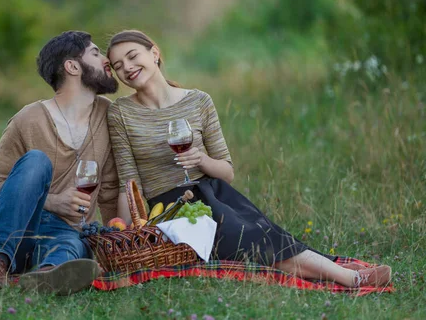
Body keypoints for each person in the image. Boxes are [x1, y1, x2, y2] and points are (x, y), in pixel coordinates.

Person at [105, 29, 391, 288]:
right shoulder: (121, 113)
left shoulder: (199, 101)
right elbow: (128, 182)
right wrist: (127, 235)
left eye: (132, 56)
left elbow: (226, 172)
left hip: (215, 192)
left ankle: (337, 271)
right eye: (118, 66)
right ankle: (350, 278)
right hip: (171, 209)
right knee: (251, 239)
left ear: (154, 53)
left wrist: (201, 160)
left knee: (263, 233)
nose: (127, 68)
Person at [0, 31, 120, 294]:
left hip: (65, 231)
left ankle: (47, 274)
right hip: (13, 229)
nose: (106, 59)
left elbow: (109, 191)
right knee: (36, 161)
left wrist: (117, 242)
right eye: (96, 53)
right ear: (73, 66)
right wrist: (51, 201)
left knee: (72, 246)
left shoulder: (108, 116)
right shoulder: (28, 119)